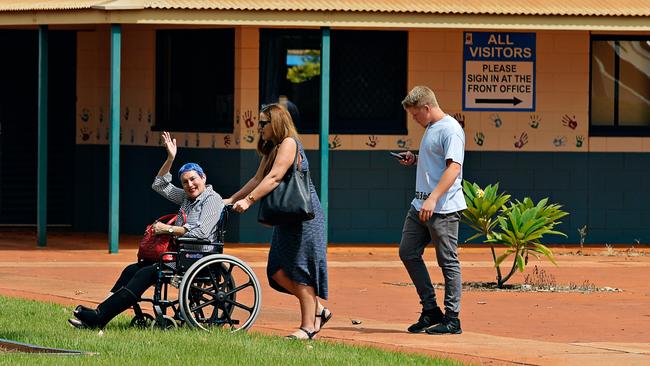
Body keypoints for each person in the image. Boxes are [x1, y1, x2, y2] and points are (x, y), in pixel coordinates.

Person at [68, 131, 224, 329]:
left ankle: (98, 318)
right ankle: (99, 313)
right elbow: (159, 185)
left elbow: (201, 233)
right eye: (185, 182)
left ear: (203, 177)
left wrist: (168, 230)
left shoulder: (213, 199)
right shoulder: (187, 197)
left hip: (196, 256)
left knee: (146, 274)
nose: (190, 185)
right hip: (179, 254)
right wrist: (170, 158)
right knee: (132, 270)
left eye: (193, 179)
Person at [226, 103, 330, 340]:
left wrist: (249, 201)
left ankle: (308, 327)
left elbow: (274, 178)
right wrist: (232, 198)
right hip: (287, 217)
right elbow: (257, 178)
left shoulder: (289, 143)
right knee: (277, 270)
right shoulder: (273, 147)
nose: (259, 127)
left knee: (298, 268)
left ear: (277, 123)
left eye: (264, 123)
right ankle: (318, 311)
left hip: (304, 216)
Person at [396, 86, 467, 335]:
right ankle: (430, 310)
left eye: (415, 115)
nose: (414, 120)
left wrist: (434, 198)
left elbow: (453, 168)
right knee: (407, 252)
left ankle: (452, 319)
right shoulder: (431, 129)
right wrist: (414, 160)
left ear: (426, 108)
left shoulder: (450, 130)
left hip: (443, 208)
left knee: (448, 262)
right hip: (420, 205)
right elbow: (437, 163)